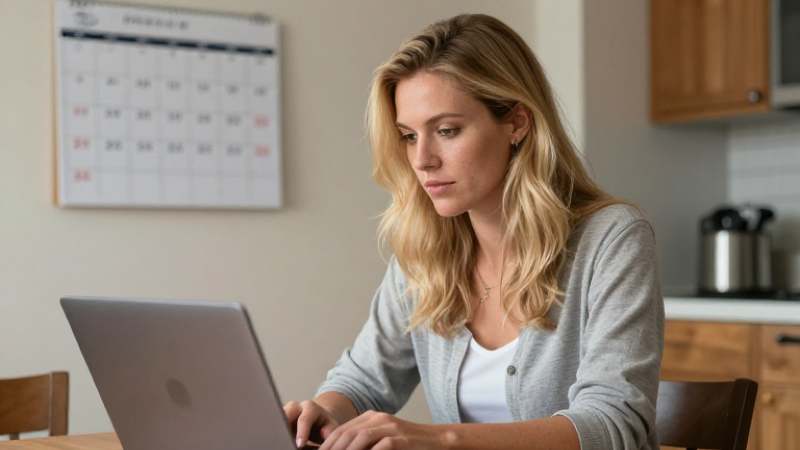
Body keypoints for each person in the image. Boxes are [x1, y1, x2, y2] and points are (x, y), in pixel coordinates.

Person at [283, 13, 664, 450]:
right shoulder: (423, 251)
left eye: (446, 131)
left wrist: (439, 438)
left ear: (517, 123)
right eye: (408, 135)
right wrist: (323, 411)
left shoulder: (612, 239)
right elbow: (363, 379)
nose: (422, 159)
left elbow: (613, 425)